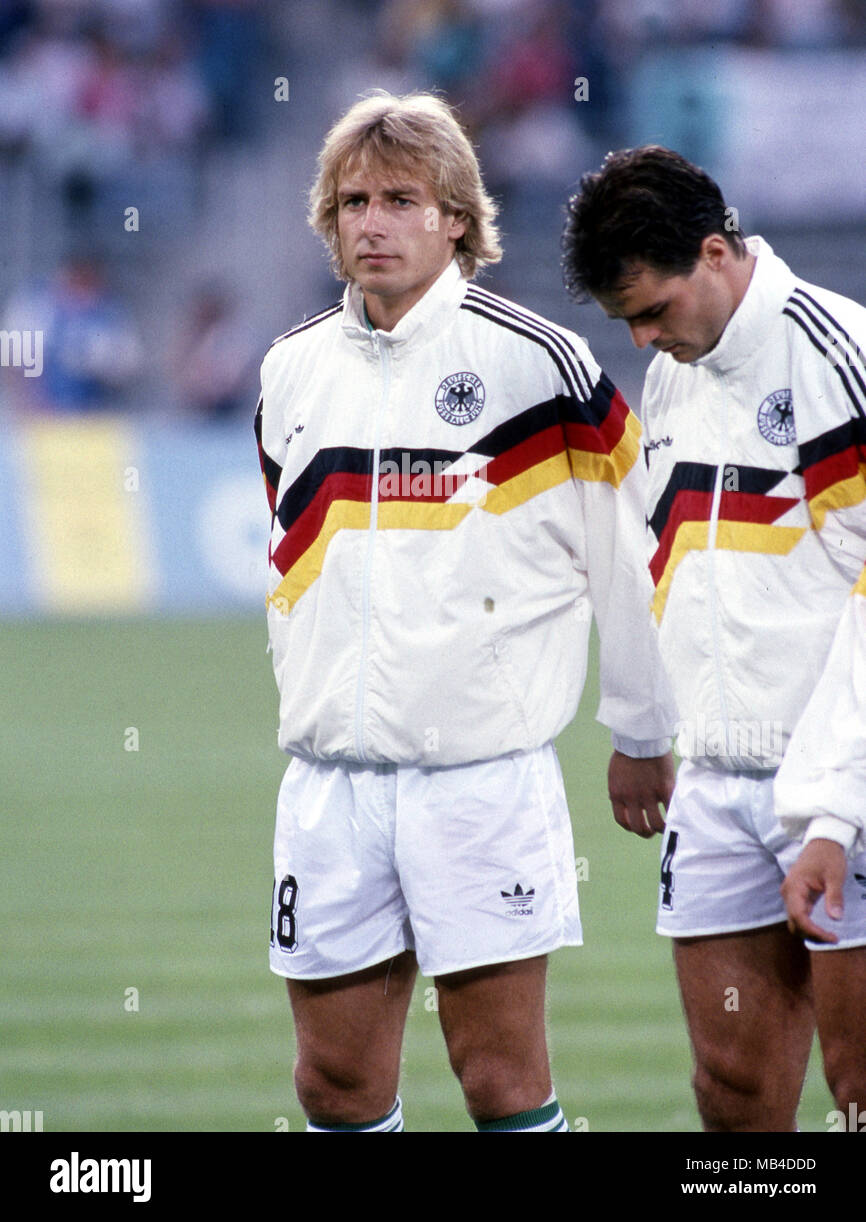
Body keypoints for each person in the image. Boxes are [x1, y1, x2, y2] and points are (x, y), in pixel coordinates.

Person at [255, 93, 675, 1134]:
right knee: (334, 1084)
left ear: (455, 217)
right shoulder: (289, 369)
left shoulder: (539, 367)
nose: (371, 222)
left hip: (479, 783)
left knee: (498, 1078)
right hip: (329, 787)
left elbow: (627, 557)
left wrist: (642, 730)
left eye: (401, 198)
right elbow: (289, 566)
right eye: (352, 200)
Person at [562, 144, 866, 1133]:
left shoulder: (833, 358)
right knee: (729, 1096)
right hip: (717, 782)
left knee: (857, 1089)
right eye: (626, 323)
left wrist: (832, 811)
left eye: (652, 310)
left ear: (713, 250)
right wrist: (643, 730)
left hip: (839, 788)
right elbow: (664, 564)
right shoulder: (679, 378)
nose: (645, 339)